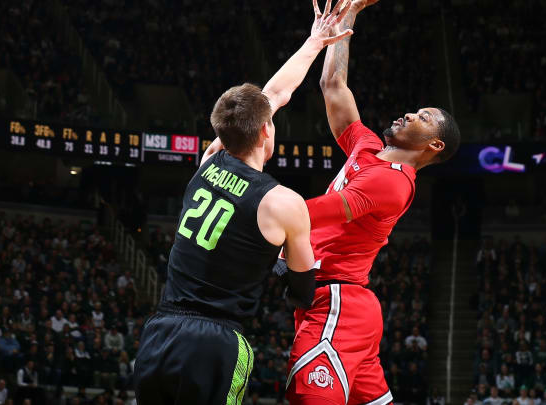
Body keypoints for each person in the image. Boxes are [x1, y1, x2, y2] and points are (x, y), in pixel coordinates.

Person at [132, 2, 355, 404]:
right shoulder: (282, 202)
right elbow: (302, 290)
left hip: (160, 330)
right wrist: (278, 260)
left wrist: (315, 41)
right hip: (216, 341)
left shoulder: (208, 159)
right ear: (267, 128)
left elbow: (273, 95)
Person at [283, 0, 461, 404]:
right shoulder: (368, 148)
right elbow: (333, 87)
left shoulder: (392, 184)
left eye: (422, 116)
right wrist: (347, 19)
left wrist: (251, 202)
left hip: (338, 303)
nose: (409, 113)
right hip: (337, 301)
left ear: (434, 144)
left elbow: (313, 213)